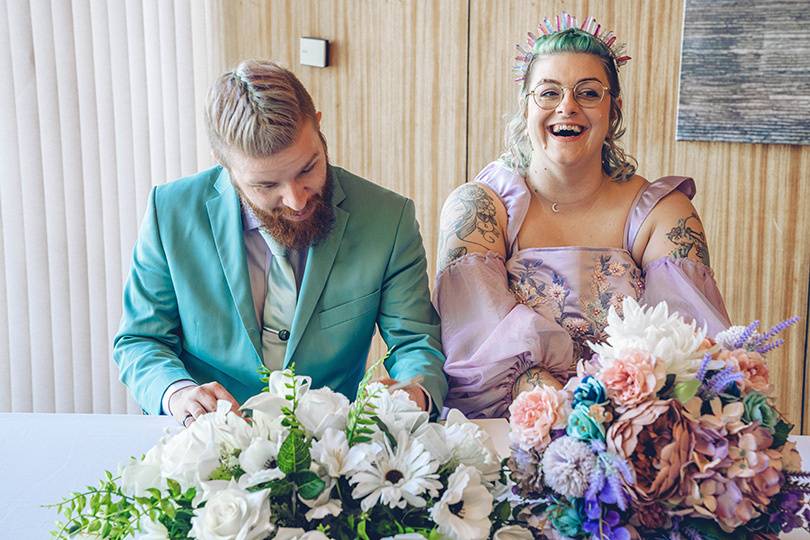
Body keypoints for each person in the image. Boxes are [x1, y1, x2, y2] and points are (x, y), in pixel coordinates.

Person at [114, 59, 447, 425]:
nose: (297, 200)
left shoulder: (388, 219)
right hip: (205, 440)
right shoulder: (171, 213)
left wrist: (415, 392)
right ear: (224, 165)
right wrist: (177, 393)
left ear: (319, 127)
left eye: (308, 169)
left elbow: (416, 341)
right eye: (266, 185)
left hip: (330, 445)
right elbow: (141, 340)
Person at [434, 13, 730, 418]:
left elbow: (686, 345)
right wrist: (565, 414)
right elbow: (476, 344)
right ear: (526, 108)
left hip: (633, 421)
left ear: (614, 111)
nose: (567, 107)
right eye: (549, 93)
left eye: (588, 93)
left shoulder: (663, 213)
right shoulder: (480, 210)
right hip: (511, 426)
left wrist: (609, 419)